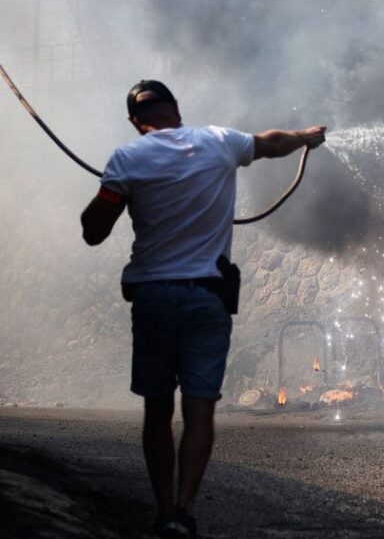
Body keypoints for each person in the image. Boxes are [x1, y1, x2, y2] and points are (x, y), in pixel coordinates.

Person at [80, 79, 326, 538]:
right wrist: (305, 137)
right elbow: (272, 144)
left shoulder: (126, 159)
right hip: (206, 300)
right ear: (176, 107)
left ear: (136, 122)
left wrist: (115, 192)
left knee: (157, 409)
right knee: (199, 410)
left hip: (153, 299)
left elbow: (93, 231)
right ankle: (184, 513)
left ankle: (163, 508)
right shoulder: (218, 140)